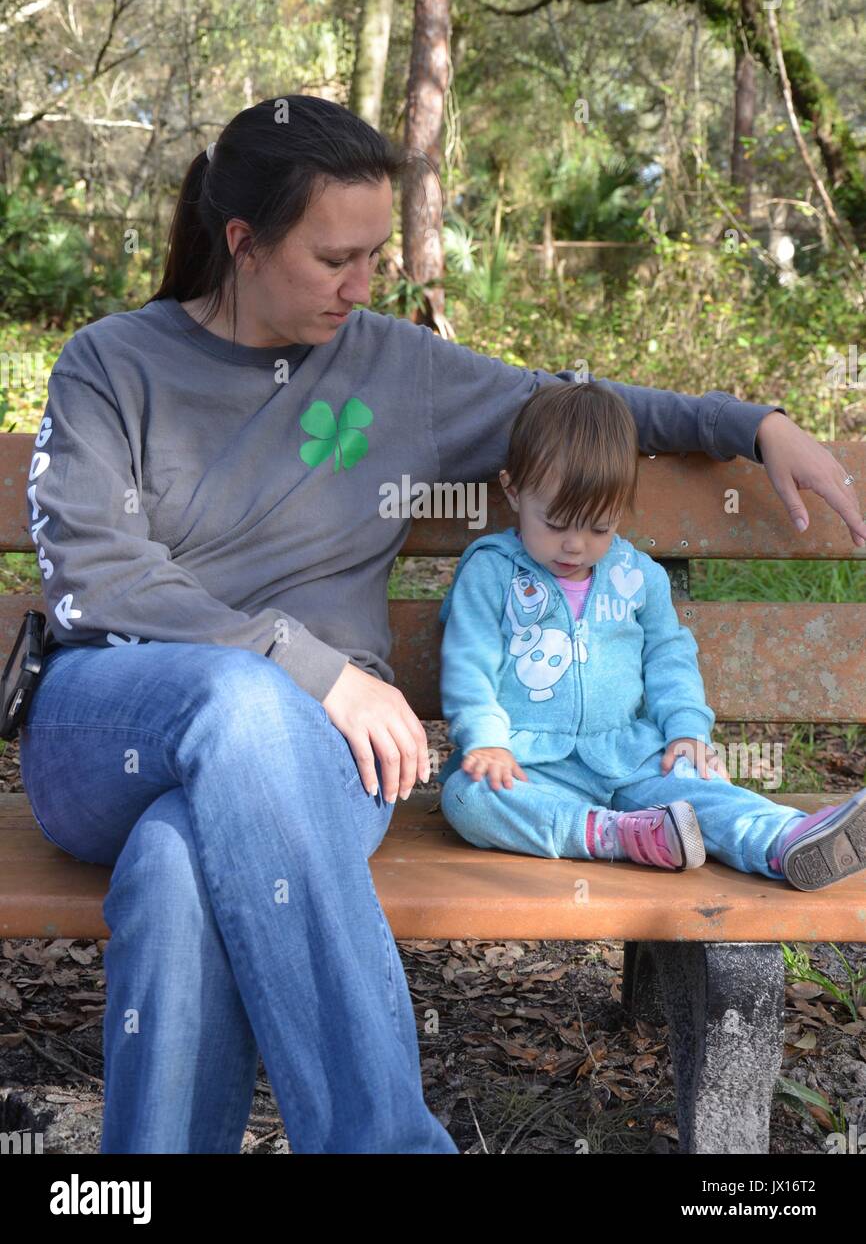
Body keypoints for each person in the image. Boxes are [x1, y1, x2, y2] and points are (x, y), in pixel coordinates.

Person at [17, 94, 865, 1155]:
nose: (363, 284)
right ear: (240, 241)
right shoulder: (111, 364)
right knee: (238, 697)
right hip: (116, 722)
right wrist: (313, 668)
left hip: (316, 758)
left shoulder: (392, 367)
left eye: (374, 253)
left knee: (180, 863)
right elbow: (97, 573)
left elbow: (575, 405)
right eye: (335, 257)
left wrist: (751, 423)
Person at [437, 382, 866, 891]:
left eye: (599, 527)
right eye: (554, 524)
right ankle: (616, 835)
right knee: (469, 796)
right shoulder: (492, 573)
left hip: (633, 759)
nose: (574, 546)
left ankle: (781, 839)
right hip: (534, 765)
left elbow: (669, 658)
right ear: (513, 491)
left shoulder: (637, 576)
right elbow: (469, 662)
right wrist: (487, 742)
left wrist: (686, 729)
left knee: (701, 790)